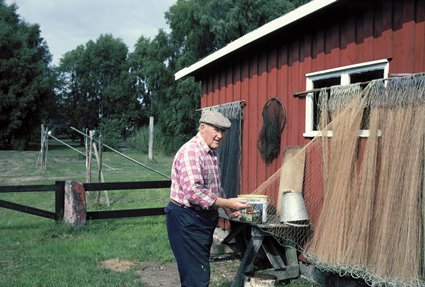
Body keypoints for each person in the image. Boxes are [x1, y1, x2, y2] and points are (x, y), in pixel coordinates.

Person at [165, 110, 249, 287]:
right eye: (216, 130)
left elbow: (214, 186)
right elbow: (194, 192)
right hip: (186, 219)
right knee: (196, 277)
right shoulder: (191, 152)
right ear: (202, 128)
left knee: (197, 273)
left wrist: (226, 207)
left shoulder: (211, 152)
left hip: (200, 219)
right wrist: (226, 202)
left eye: (223, 131)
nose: (220, 136)